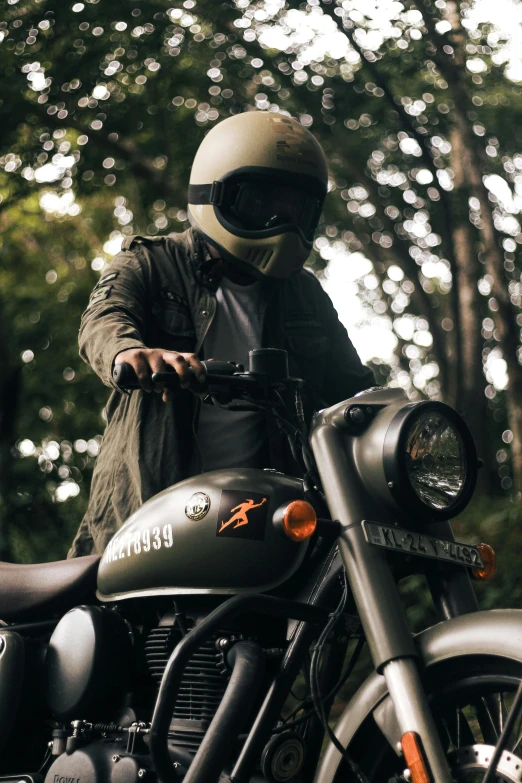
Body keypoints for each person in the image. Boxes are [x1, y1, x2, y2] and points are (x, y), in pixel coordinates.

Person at [68, 111, 374, 557]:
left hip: (266, 517)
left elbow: (352, 389)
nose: (283, 223)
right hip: (154, 519)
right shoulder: (151, 263)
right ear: (217, 195)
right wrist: (133, 354)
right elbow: (104, 321)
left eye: (296, 209)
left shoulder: (304, 293)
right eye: (263, 204)